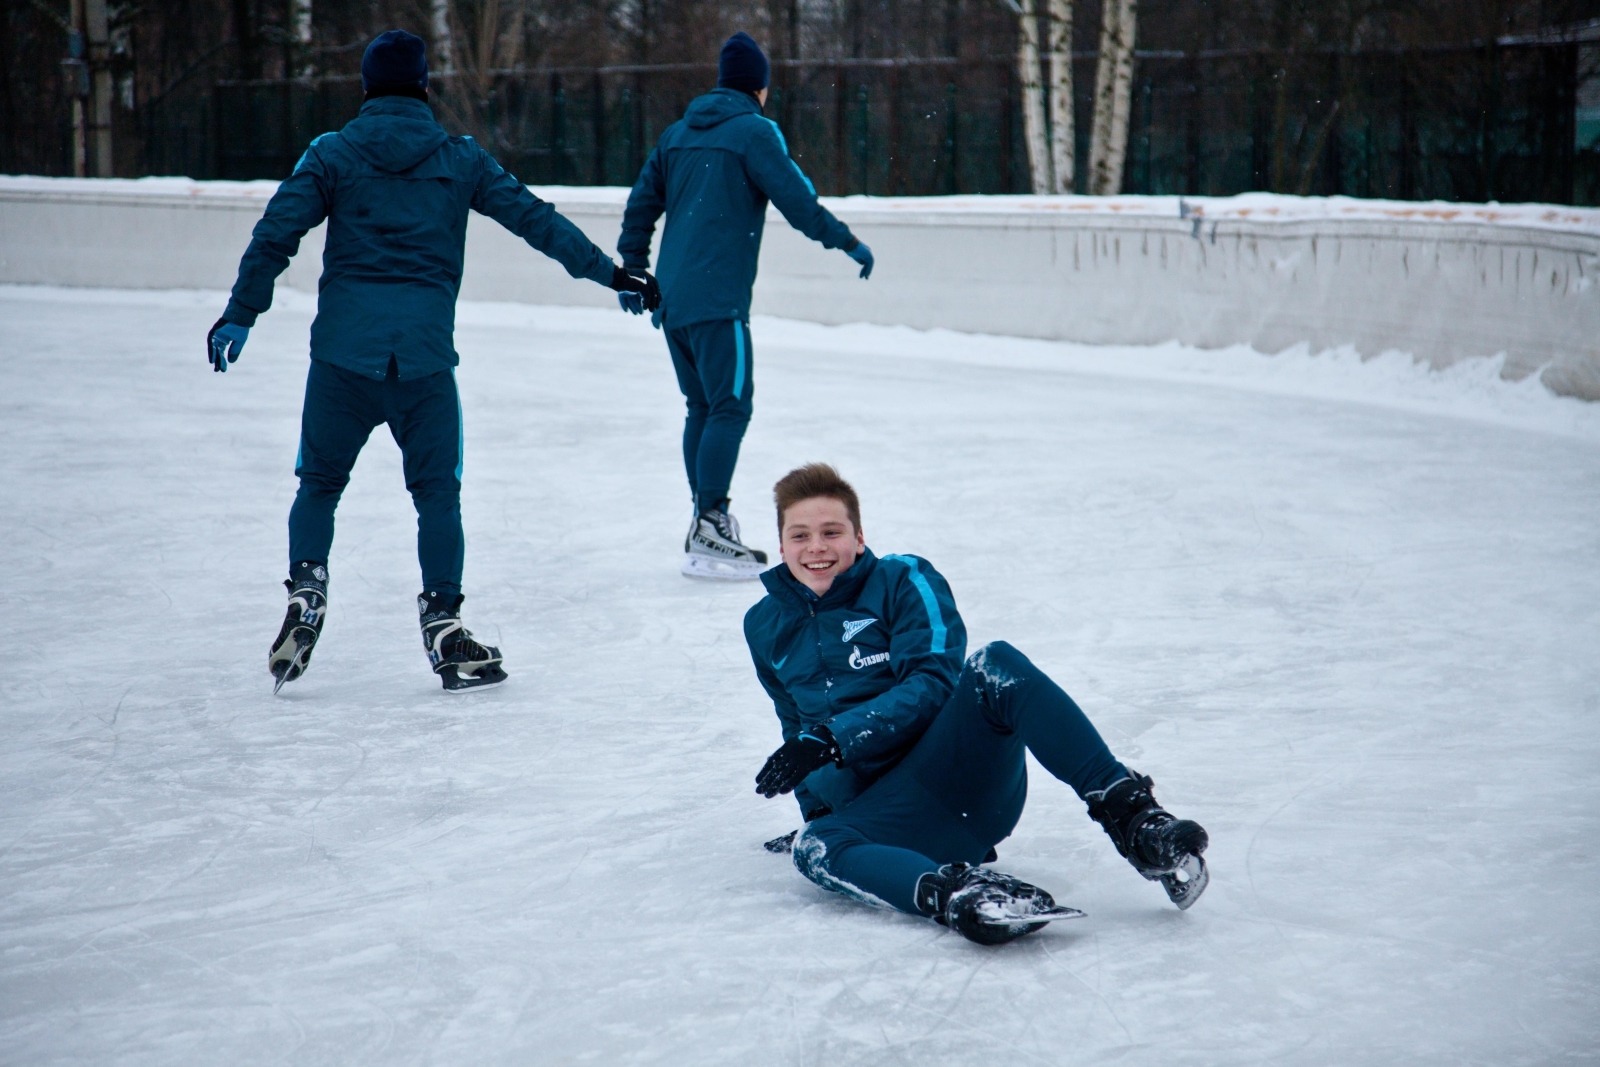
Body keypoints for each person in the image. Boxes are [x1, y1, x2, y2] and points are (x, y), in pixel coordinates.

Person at [206, 29, 661, 693]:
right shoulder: (460, 158)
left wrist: (241, 313)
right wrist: (613, 275)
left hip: (342, 361)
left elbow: (276, 233)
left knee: (319, 485)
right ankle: (443, 621)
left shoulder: (332, 154)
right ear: (425, 86)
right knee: (437, 496)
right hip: (421, 363)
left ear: (364, 87)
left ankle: (308, 586)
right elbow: (537, 221)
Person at [745, 464, 1211, 945]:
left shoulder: (901, 579)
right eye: (800, 535)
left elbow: (933, 681)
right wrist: (815, 810)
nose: (816, 547)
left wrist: (833, 737)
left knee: (996, 666)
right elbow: (794, 723)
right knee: (816, 847)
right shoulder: (763, 624)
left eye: (831, 532)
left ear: (859, 538)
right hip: (881, 815)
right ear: (782, 546)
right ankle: (961, 896)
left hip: (955, 782)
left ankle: (1133, 817)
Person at [618, 33, 874, 580]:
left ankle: (703, 524)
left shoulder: (676, 134)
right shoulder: (754, 132)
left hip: (673, 298)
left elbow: (640, 204)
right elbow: (800, 204)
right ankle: (710, 522)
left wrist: (632, 268)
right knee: (730, 406)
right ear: (760, 86)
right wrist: (846, 241)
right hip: (718, 299)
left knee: (702, 408)